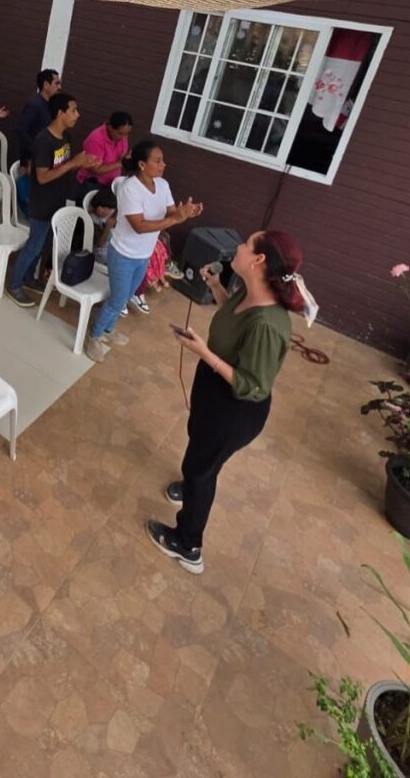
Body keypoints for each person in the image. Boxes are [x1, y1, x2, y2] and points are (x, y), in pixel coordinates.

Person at [147, 231, 313, 575]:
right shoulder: (248, 292)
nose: (238, 247)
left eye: (246, 245)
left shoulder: (268, 324)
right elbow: (235, 323)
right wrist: (215, 286)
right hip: (214, 390)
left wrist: (203, 352)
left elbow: (252, 385)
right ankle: (192, 484)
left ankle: (188, 545)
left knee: (201, 470)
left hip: (234, 408)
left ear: (258, 260)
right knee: (199, 449)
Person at [84, 141, 203, 363]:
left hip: (143, 254)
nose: (163, 164)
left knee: (126, 296)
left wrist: (186, 212)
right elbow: (139, 226)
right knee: (117, 299)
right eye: (157, 161)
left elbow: (171, 212)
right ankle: (95, 336)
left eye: (162, 160)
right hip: (123, 254)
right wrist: (175, 219)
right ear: (141, 164)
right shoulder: (130, 189)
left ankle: (108, 330)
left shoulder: (163, 185)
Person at [6, 94, 99, 308]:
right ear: (60, 113)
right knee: (33, 246)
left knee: (43, 245)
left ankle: (28, 278)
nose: (77, 115)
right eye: (73, 110)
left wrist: (82, 163)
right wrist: (73, 163)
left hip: (57, 200)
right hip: (41, 203)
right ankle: (14, 285)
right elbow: (42, 177)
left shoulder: (65, 137)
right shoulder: (43, 141)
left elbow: (62, 167)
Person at [15, 69, 61, 164]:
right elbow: (21, 131)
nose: (59, 87)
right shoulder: (34, 105)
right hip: (32, 159)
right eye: (56, 83)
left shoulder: (51, 105)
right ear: (46, 85)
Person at [77, 111, 132, 187]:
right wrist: (121, 163)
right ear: (110, 127)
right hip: (93, 183)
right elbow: (95, 169)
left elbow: (121, 156)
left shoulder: (122, 136)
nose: (124, 137)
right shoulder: (95, 140)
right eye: (120, 133)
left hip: (111, 181)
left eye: (127, 133)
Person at [87, 187, 117, 268]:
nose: (107, 211)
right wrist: (107, 228)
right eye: (103, 207)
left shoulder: (106, 217)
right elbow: (99, 244)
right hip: (98, 254)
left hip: (110, 249)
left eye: (111, 209)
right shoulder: (92, 219)